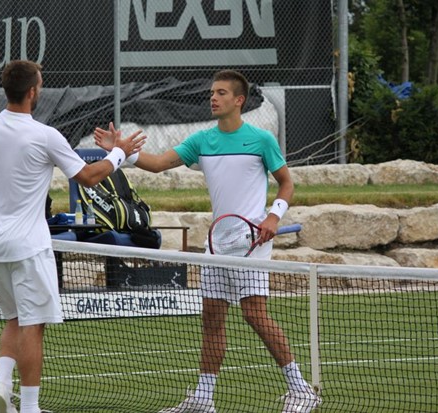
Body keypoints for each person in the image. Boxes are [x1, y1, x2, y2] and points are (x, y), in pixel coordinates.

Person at [93, 70, 321, 413]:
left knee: (255, 314)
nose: (213, 98)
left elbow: (286, 183)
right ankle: (203, 398)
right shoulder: (202, 140)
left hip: (252, 239)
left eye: (221, 93)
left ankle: (301, 389)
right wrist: (121, 153)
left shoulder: (261, 140)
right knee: (212, 317)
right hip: (218, 241)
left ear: (239, 100)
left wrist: (273, 216)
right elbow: (156, 164)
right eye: (212, 92)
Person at [0, 60, 144, 413]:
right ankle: (29, 408)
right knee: (33, 325)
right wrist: (119, 153)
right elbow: (88, 177)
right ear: (33, 91)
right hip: (28, 248)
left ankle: (1, 385)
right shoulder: (45, 135)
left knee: (14, 319)